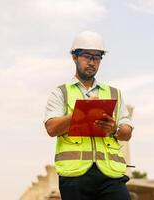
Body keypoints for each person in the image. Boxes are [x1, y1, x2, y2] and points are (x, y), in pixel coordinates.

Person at [44, 31, 133, 200]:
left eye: (97, 57)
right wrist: (80, 112)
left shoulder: (114, 93)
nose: (92, 62)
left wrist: (115, 129)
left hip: (111, 174)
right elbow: (51, 128)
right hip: (75, 176)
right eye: (86, 56)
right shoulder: (60, 92)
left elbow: (127, 132)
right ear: (74, 57)